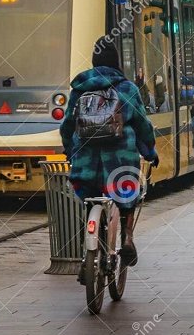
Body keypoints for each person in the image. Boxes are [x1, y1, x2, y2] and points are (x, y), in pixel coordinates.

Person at [60, 37, 159, 267]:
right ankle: (127, 238)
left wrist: (70, 150)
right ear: (116, 62)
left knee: (89, 199)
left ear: (94, 62)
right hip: (120, 162)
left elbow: (67, 124)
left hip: (85, 162)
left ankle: (89, 253)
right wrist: (150, 151)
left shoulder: (79, 89)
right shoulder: (127, 88)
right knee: (127, 196)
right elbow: (142, 125)